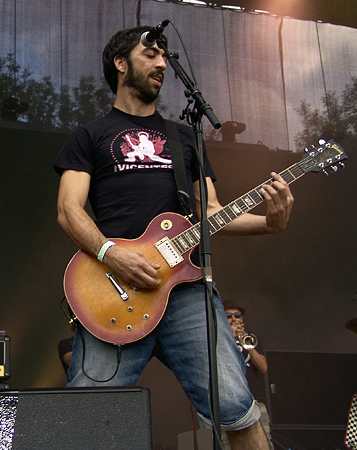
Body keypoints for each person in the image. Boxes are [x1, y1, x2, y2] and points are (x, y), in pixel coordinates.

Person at [53, 26, 293, 448]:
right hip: (114, 290)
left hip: (185, 292)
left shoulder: (184, 136)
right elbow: (68, 210)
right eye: (150, 54)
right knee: (85, 418)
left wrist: (270, 225)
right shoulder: (90, 135)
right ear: (121, 63)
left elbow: (212, 213)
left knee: (239, 409)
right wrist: (112, 255)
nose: (162, 63)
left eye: (164, 56)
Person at [223, 300, 274, 449]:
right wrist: (230, 339)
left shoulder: (252, 338)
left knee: (264, 443)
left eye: (237, 315)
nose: (234, 319)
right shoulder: (219, 339)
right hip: (230, 404)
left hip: (255, 403)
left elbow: (263, 367)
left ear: (242, 319)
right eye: (229, 316)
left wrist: (247, 346)